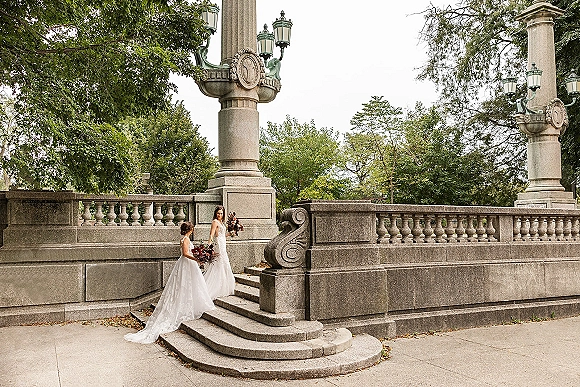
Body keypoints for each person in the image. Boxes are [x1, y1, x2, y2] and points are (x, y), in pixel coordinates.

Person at [124, 221, 215, 344]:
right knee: (187, 285)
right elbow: (185, 254)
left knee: (188, 285)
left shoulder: (183, 239)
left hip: (185, 265)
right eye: (192, 228)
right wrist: (197, 259)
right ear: (189, 229)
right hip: (187, 264)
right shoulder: (186, 240)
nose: (193, 230)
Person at [203, 205, 235, 300]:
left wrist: (231, 233)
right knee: (219, 263)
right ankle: (215, 287)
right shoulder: (215, 222)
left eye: (221, 213)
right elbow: (212, 235)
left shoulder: (221, 222)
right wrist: (208, 246)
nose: (219, 215)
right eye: (218, 213)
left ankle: (223, 285)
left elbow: (222, 235)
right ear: (215, 213)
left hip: (223, 243)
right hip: (219, 245)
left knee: (224, 263)